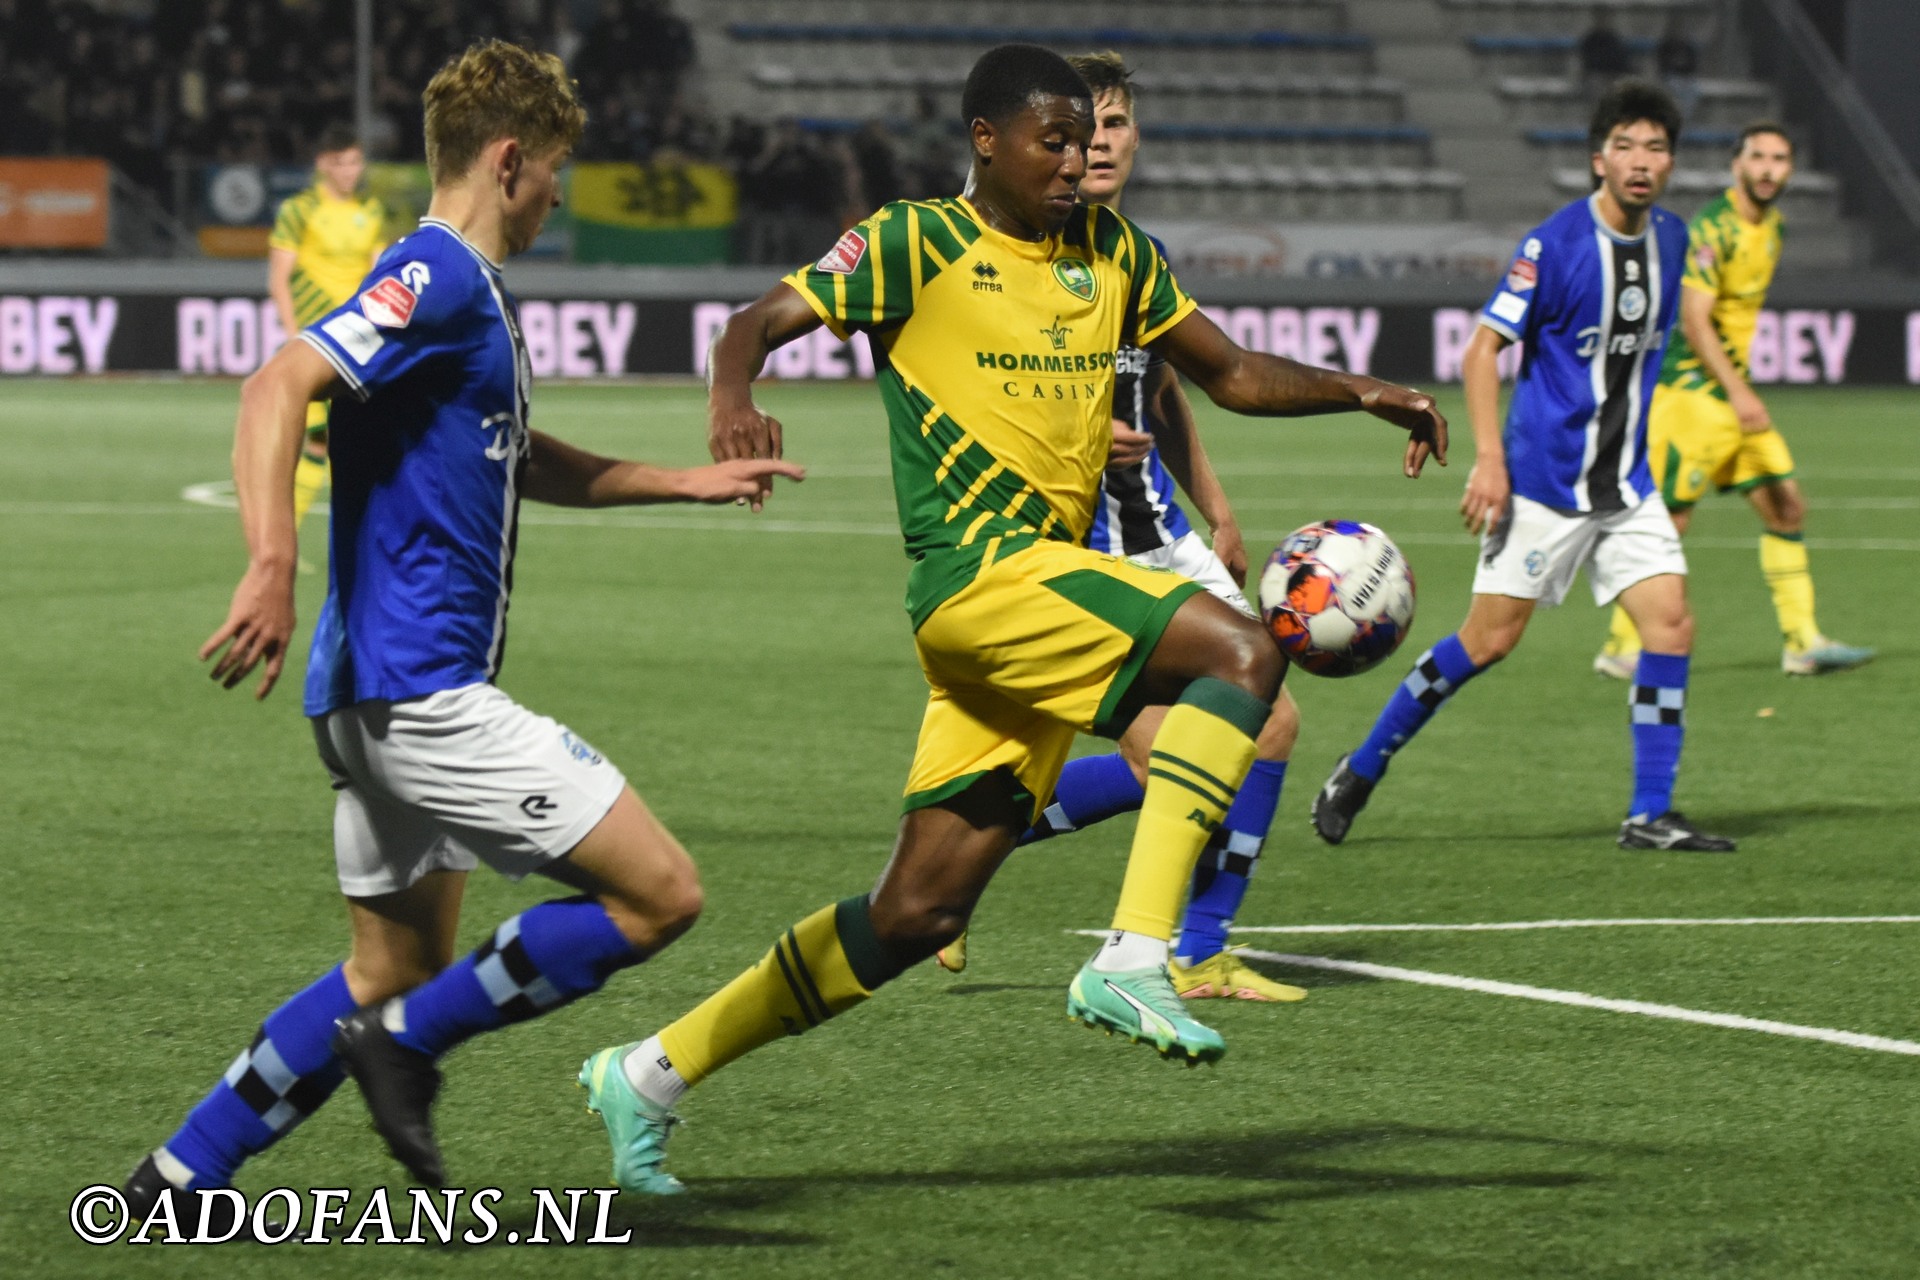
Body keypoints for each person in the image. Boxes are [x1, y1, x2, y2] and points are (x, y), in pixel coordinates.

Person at [576, 44, 1446, 1195]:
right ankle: (1137, 951)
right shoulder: (915, 241)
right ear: (987, 139)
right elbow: (750, 321)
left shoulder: (1116, 252)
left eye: (1087, 142)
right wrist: (734, 395)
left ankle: (648, 1070)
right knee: (1243, 649)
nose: (1078, 163)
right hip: (980, 579)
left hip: (1031, 600)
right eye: (1054, 141)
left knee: (913, 910)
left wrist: (1366, 388)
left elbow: (1228, 371)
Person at [119, 39, 802, 1222]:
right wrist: (272, 561)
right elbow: (275, 383)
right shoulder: (435, 273)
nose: (557, 197)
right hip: (420, 692)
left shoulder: (461, 291)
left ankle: (176, 1179)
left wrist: (673, 480)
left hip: (371, 696)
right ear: (508, 158)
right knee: (660, 895)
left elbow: (515, 456)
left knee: (390, 966)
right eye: (556, 173)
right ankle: (407, 1049)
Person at [934, 51, 1303, 1003]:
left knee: (1267, 723)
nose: (1099, 144)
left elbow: (1172, 388)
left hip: (1160, 530)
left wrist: (1216, 509)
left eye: (1116, 126)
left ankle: (1201, 946)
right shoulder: (996, 245)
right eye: (1081, 128)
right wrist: (1085, 431)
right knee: (1164, 754)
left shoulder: (1133, 250)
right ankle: (986, 849)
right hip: (1062, 543)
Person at [1313, 79, 1736, 855]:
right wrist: (1492, 461)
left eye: (1657, 148)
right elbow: (1483, 350)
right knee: (1488, 643)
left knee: (1671, 625)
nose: (1642, 161)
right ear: (1598, 158)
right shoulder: (1555, 245)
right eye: (1627, 146)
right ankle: (1362, 765)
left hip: (1626, 487)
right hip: (1542, 484)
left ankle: (1649, 812)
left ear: (1671, 163)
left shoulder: (1673, 241)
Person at [1595, 123, 1873, 679]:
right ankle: (1623, 647)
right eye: (1759, 157)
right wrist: (1741, 391)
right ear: (1737, 166)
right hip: (1692, 397)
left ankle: (1802, 642)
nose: (1769, 168)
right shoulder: (1714, 229)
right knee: (1669, 521)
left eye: (1780, 158)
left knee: (1786, 505)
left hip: (1730, 398)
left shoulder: (1773, 228)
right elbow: (1694, 320)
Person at [268, 122, 388, 534]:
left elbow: (378, 276)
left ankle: (342, 542)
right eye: (341, 163)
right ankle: (291, 539)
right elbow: (279, 278)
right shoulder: (298, 211)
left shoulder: (370, 211)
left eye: (356, 162)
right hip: (316, 342)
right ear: (323, 165)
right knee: (321, 440)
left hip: (359, 342)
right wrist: (291, 334)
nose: (350, 171)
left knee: (348, 444)